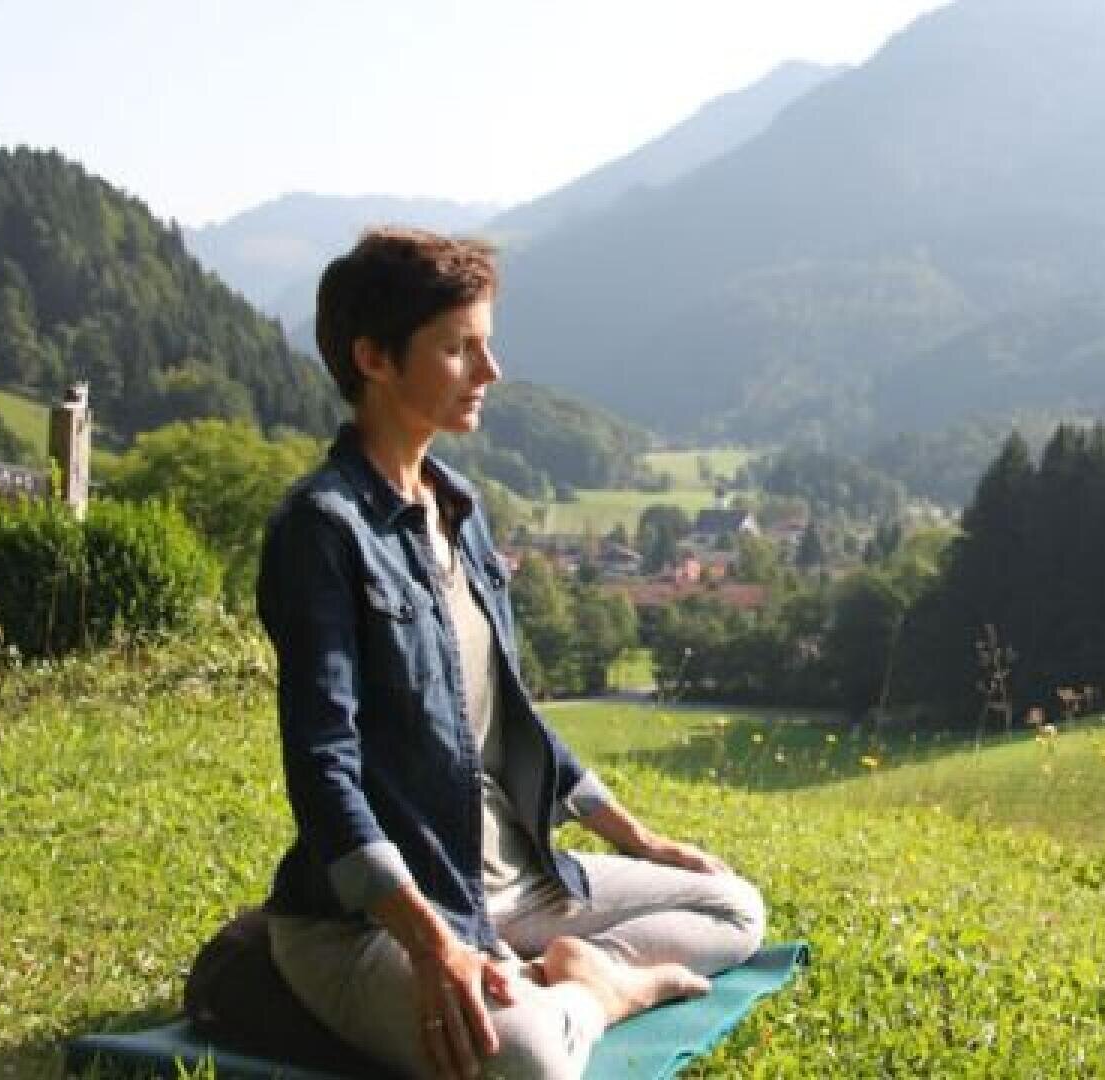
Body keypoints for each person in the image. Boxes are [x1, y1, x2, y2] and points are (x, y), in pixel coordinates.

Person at [257, 227, 766, 1080]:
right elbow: (323, 771)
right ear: (374, 359)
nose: (489, 371)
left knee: (733, 909)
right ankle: (602, 996)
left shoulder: (460, 509)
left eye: (486, 344)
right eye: (458, 348)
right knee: (529, 1062)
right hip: (375, 922)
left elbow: (507, 717)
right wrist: (432, 947)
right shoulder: (321, 531)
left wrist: (640, 839)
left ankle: (573, 976)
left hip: (513, 882)